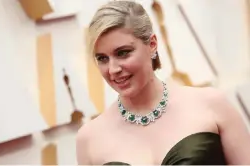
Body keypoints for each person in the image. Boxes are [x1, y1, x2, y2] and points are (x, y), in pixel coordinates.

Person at [76, 1, 250, 165]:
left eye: (123, 53)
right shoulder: (89, 139)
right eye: (102, 58)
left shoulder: (211, 104)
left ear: (152, 44)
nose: (113, 69)